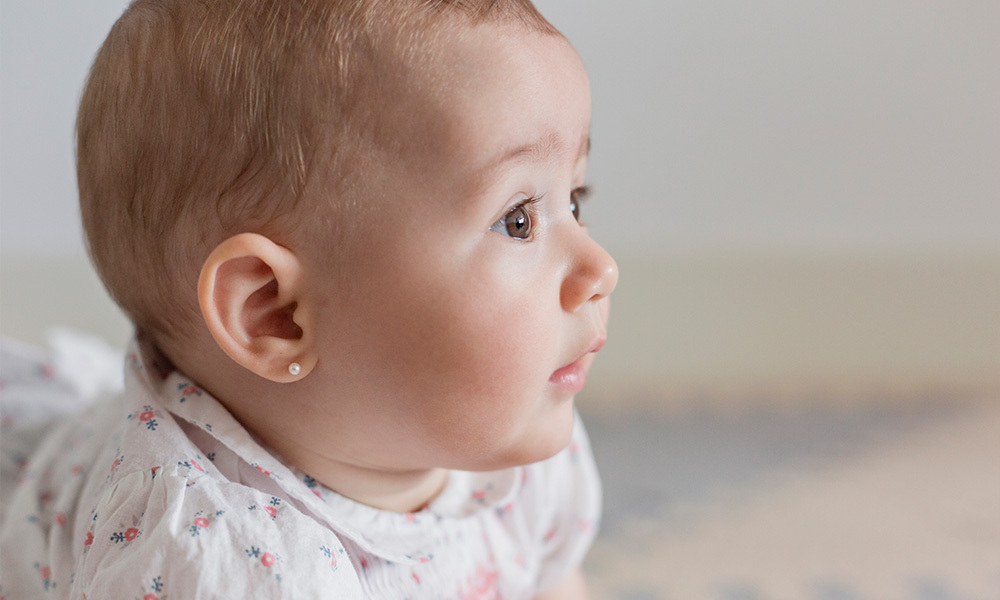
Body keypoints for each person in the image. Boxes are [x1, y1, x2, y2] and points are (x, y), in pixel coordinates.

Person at [0, 0, 618, 597]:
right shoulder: (220, 560)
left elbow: (550, 582)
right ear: (276, 313)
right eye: (517, 220)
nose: (602, 267)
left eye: (574, 200)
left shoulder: (518, 443)